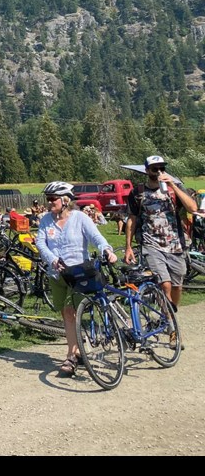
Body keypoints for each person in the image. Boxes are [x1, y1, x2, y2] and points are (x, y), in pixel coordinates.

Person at [35, 181, 117, 376]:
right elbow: (40, 242)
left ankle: (71, 355)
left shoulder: (80, 218)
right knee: (65, 312)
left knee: (72, 310)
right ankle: (78, 350)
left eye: (52, 199)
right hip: (57, 274)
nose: (49, 203)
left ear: (65, 200)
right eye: (48, 199)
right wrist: (52, 259)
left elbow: (96, 237)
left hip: (78, 273)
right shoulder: (47, 220)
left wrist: (107, 250)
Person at [124, 155, 197, 348]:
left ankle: (168, 315)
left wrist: (173, 186)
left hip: (176, 246)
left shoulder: (174, 189)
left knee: (176, 287)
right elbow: (131, 219)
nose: (158, 171)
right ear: (147, 170)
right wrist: (129, 247)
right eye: (154, 168)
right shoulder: (138, 192)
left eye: (161, 168)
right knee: (164, 285)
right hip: (151, 245)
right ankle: (172, 327)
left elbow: (193, 207)